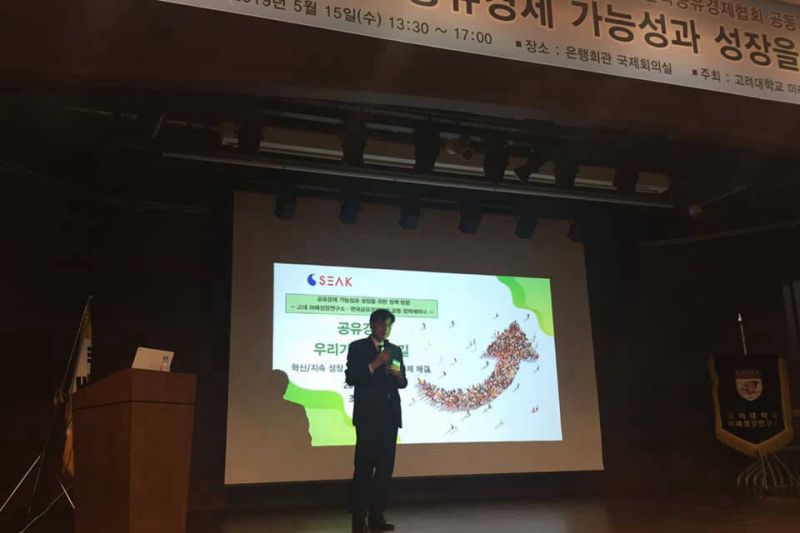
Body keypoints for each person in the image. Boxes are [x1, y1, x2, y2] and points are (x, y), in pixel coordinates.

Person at [345, 309, 407, 532]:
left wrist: (399, 376)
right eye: (381, 324)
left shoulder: (395, 350)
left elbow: (403, 383)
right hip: (368, 418)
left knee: (384, 471)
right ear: (372, 325)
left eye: (389, 325)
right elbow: (351, 377)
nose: (385, 329)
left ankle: (376, 516)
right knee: (364, 469)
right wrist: (375, 364)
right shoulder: (358, 347)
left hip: (390, 417)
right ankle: (358, 519)